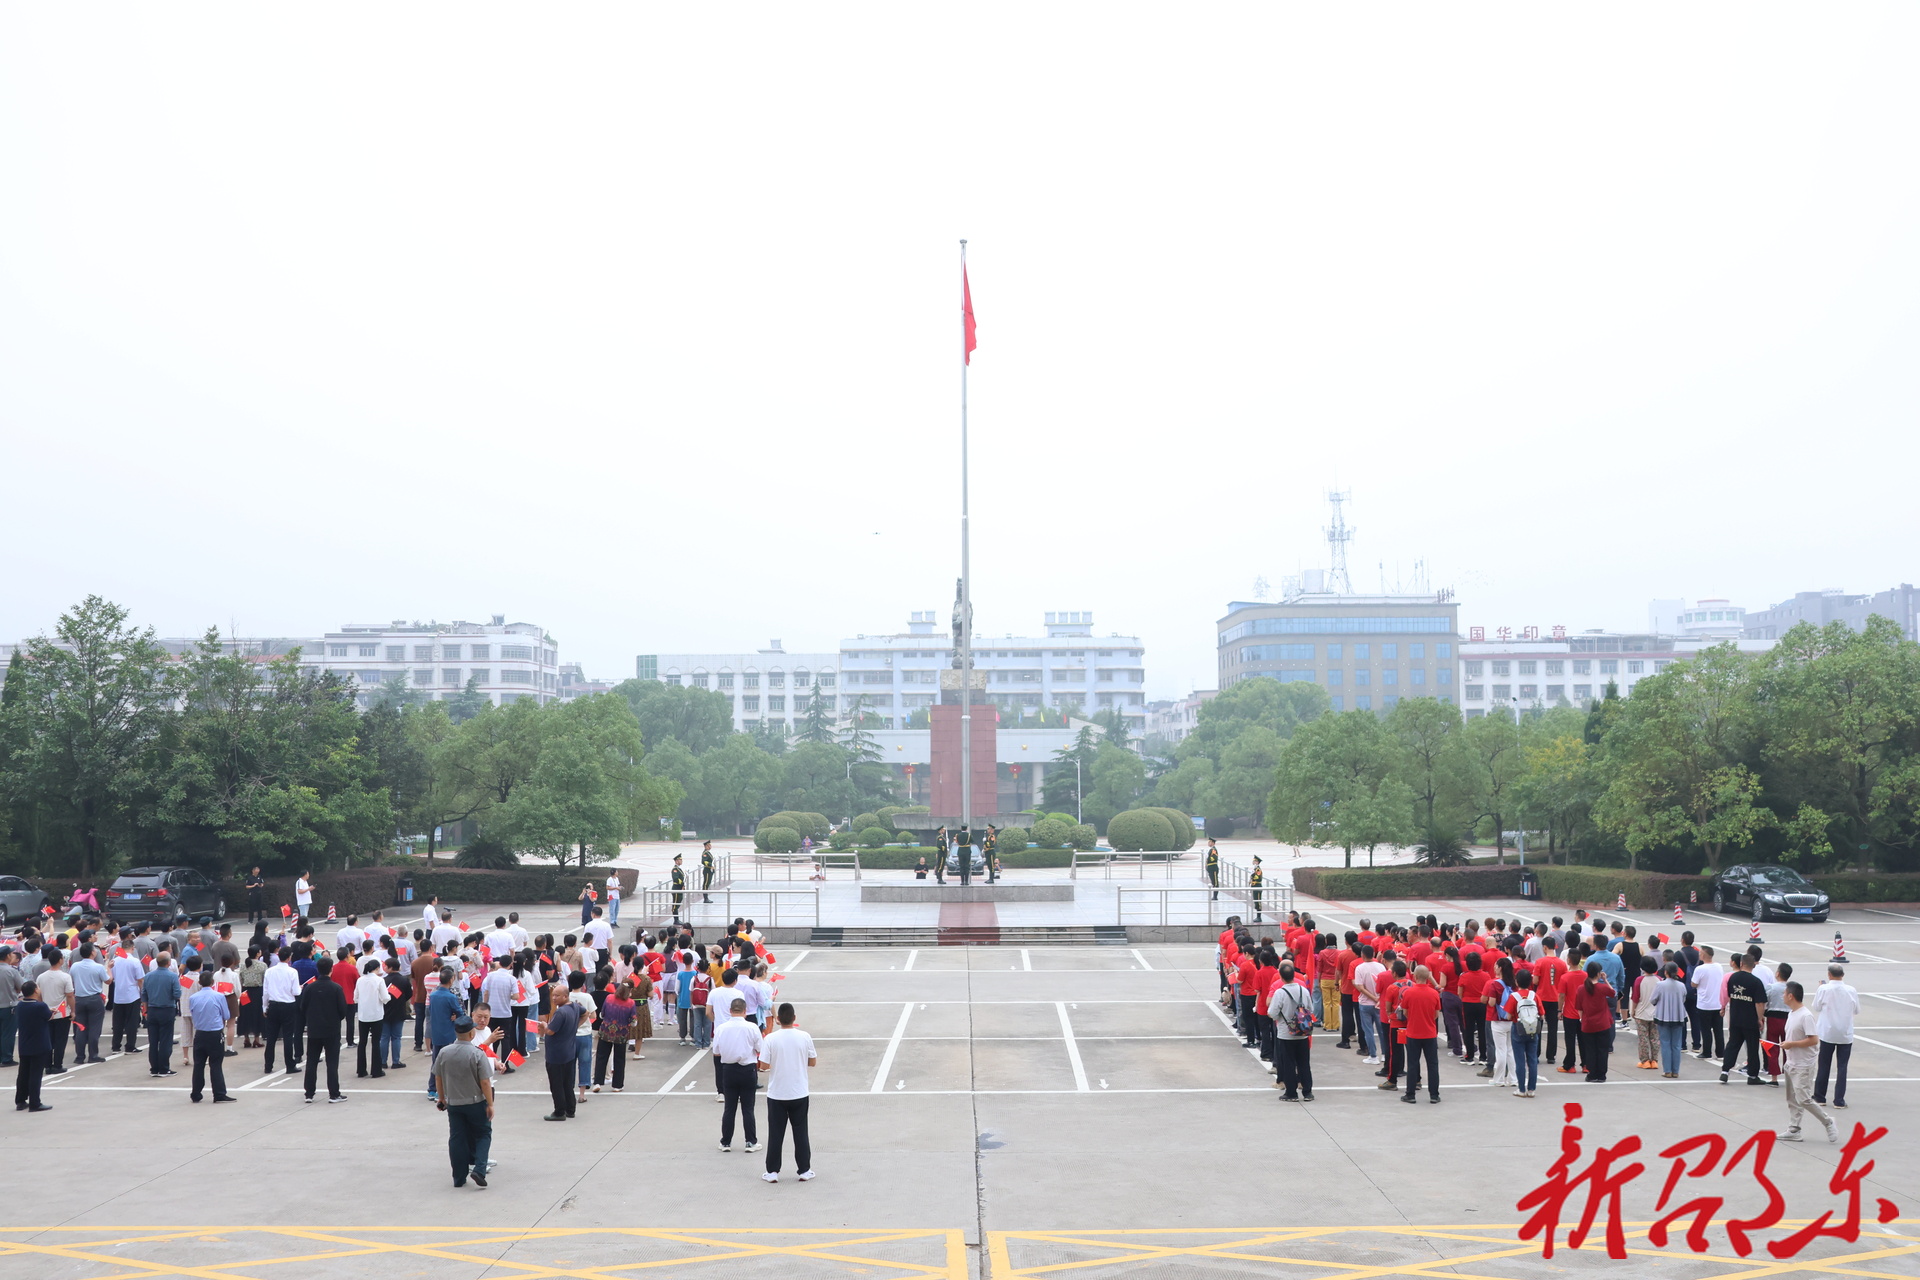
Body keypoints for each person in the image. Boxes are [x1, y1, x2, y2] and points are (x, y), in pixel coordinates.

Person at [759, 1002, 818, 1181]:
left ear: (778, 1020)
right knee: (801, 1132)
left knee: (776, 1133)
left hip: (777, 1093)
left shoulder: (770, 1039)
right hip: (799, 1092)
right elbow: (813, 1062)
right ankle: (804, 1170)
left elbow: (764, 1065)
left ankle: (772, 1172)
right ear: (794, 1018)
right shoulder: (804, 1036)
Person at [436, 1016, 495, 1187]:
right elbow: (485, 1082)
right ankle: (479, 1169)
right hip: (475, 1102)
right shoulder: (477, 1053)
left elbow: (438, 1077)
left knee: (457, 1138)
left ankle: (459, 1177)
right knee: (483, 1134)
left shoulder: (444, 1052)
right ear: (471, 1033)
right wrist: (490, 1104)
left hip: (454, 1102)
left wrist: (442, 1098)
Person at [1779, 982, 1839, 1144]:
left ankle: (1828, 1122)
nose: (1782, 995)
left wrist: (1791, 1044)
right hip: (1791, 1062)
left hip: (1803, 1065)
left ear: (1791, 996)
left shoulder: (1805, 1016)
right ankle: (1794, 1129)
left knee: (1804, 1099)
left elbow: (1813, 1040)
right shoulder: (1792, 1013)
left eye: (1784, 993)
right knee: (1792, 1098)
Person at [712, 996, 763, 1153]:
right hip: (748, 1069)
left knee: (729, 1108)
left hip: (728, 1070)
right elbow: (760, 1048)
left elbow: (716, 1052)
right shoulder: (752, 1027)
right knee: (748, 1108)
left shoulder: (721, 1028)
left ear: (730, 1011)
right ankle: (750, 1142)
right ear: (744, 1011)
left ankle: (726, 1142)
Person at [302, 954, 351, 1103]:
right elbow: (343, 1010)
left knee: (311, 1061)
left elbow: (303, 1007)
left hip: (314, 1028)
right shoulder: (336, 988)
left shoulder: (310, 987)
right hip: (331, 1029)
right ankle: (334, 1093)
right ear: (331, 970)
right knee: (332, 1062)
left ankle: (309, 1093)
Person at [1811, 964, 1858, 1110]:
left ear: (1829, 975)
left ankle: (1819, 1096)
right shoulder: (1851, 990)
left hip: (1827, 1032)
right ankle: (1839, 1100)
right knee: (1842, 1067)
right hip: (1845, 1033)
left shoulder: (1824, 989)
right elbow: (1856, 1010)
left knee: (1824, 1064)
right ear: (1842, 975)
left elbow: (1816, 1007)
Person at [187, 970, 237, 1103]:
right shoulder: (218, 996)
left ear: (199, 983)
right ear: (212, 982)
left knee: (198, 1064)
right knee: (215, 1064)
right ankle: (219, 1093)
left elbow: (192, 1013)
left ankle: (196, 1093)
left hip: (200, 1033)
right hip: (214, 1033)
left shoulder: (193, 998)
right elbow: (226, 1015)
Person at [1267, 962, 1314, 1102]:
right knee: (1304, 1063)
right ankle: (1307, 1092)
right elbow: (1310, 1009)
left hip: (1285, 1033)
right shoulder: (1303, 990)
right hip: (1303, 1033)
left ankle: (1291, 1092)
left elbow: (1272, 1013)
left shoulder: (1280, 992)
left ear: (1280, 976)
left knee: (1288, 1063)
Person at [1720, 953, 1768, 1086]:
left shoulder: (1733, 978)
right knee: (1752, 1048)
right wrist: (1760, 1019)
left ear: (1741, 964)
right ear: (1754, 965)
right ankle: (1752, 1075)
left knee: (1732, 1045)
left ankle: (1725, 1071)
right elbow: (1759, 1003)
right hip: (1750, 1020)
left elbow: (1730, 995)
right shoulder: (1755, 982)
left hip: (1735, 1018)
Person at [1398, 966, 1442, 1104]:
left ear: (1415, 976)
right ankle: (1434, 1095)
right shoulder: (1434, 993)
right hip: (1429, 1033)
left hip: (1413, 1033)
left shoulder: (1409, 993)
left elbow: (1405, 1013)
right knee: (1433, 1064)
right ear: (1428, 976)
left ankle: (1410, 1094)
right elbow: (1436, 1014)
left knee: (1412, 1064)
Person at [426, 964, 465, 1102]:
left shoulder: (434, 995)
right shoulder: (451, 997)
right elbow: (461, 1013)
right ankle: (444, 1090)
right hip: (448, 1033)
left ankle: (432, 1089)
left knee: (436, 1062)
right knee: (448, 1063)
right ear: (451, 980)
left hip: (436, 1033)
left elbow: (430, 1011)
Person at [541, 990, 581, 1120]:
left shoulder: (560, 1012)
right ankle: (570, 1109)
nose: (553, 998)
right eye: (552, 995)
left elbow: (550, 1031)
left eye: (557, 996)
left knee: (557, 1083)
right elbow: (585, 1013)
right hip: (568, 1052)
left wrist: (544, 1025)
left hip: (556, 1054)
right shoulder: (574, 1007)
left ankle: (559, 1112)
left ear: (565, 996)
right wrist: (575, 1027)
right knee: (567, 1083)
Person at [13, 981, 52, 1112]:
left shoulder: (20, 1005)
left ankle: (20, 1100)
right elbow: (47, 1016)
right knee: (35, 1074)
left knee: (23, 1073)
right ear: (35, 991)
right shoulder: (40, 1006)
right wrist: (51, 1012)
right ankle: (35, 1102)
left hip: (24, 1044)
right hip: (39, 1044)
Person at [142, 954, 183, 1077]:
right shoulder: (172, 976)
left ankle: (154, 1068)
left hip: (152, 1010)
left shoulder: (148, 976)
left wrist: (145, 1009)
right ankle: (164, 1068)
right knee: (165, 1040)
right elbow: (177, 994)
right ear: (169, 963)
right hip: (167, 1009)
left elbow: (144, 994)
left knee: (153, 1041)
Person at [1577, 961, 1617, 1082]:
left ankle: (1592, 1073)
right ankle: (1601, 1074)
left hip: (1588, 1023)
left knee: (1590, 1050)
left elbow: (1579, 1008)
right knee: (1602, 1050)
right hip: (1603, 1023)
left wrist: (1581, 1019)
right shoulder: (1602, 988)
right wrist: (1605, 980)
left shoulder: (1581, 989)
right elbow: (1613, 993)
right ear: (1599, 974)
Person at [593, 982, 636, 1092]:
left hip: (606, 1030)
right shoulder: (630, 1003)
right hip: (621, 1033)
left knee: (601, 1056)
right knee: (619, 1059)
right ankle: (617, 1085)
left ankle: (597, 1082)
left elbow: (602, 1014)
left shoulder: (609, 997)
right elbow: (633, 1021)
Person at [1505, 969, 1542, 1098]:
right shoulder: (1534, 995)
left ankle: (1521, 1089)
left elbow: (1508, 1015)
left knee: (1519, 1060)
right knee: (1532, 1059)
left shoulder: (1514, 996)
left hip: (1518, 1029)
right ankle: (1532, 1089)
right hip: (1533, 1030)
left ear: (1516, 981)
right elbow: (1541, 1013)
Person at [355, 959, 389, 1079]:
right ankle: (376, 1070)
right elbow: (385, 997)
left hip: (363, 1014)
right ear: (377, 968)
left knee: (362, 1042)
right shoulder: (379, 980)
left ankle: (361, 1069)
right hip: (376, 1014)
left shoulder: (360, 980)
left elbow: (356, 997)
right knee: (376, 1042)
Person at [1691, 945, 1726, 1061]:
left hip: (1704, 1003)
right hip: (1717, 1002)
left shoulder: (1700, 969)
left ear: (1704, 955)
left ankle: (1707, 1052)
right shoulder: (1719, 966)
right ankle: (1721, 1052)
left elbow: (1694, 984)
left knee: (1706, 1029)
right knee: (1718, 1029)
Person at [670, 856, 687, 926]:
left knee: (678, 903)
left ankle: (677, 919)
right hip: (676, 889)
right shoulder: (675, 869)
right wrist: (682, 884)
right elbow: (676, 879)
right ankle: (676, 920)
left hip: (679, 888)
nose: (681, 861)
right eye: (680, 860)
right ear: (676, 861)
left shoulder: (679, 869)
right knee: (675, 905)